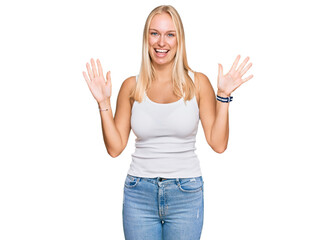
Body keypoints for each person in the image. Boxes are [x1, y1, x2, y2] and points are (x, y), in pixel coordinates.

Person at [83, 5, 253, 240]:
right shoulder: (131, 86)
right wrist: (103, 102)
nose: (161, 42)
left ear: (179, 40)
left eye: (169, 34)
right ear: (146, 38)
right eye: (155, 33)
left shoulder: (198, 83)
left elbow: (218, 143)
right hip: (138, 194)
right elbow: (114, 148)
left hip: (186, 193)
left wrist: (223, 96)